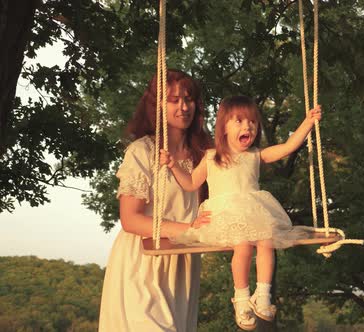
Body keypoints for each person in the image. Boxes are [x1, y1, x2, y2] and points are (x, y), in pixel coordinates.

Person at [160, 95, 321, 330]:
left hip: (254, 211)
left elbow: (287, 147)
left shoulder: (255, 155)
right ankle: (242, 298)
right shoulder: (211, 157)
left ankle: (263, 295)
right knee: (243, 245)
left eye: (253, 122)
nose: (248, 127)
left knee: (266, 241)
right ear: (224, 127)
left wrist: (307, 123)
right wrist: (173, 165)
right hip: (224, 215)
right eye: (239, 121)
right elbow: (191, 183)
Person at [98, 69, 212, 332]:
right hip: (142, 261)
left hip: (182, 265)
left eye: (189, 98)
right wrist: (190, 230)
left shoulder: (203, 155)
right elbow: (130, 219)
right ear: (157, 105)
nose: (183, 107)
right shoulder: (142, 152)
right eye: (173, 100)